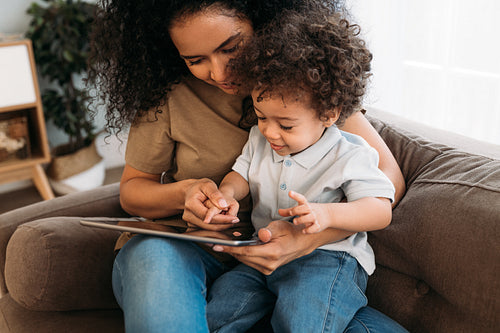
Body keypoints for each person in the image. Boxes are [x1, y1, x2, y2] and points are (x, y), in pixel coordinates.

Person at [88, 0, 407, 332]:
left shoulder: (310, 85)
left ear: (263, 19)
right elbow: (133, 192)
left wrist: (310, 238)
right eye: (196, 60)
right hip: (187, 251)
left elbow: (388, 183)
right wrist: (186, 193)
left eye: (231, 48)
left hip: (297, 259)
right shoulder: (166, 96)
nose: (220, 73)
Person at [202, 9, 395, 332]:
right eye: (262, 117)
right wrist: (226, 195)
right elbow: (240, 176)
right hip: (262, 254)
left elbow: (379, 211)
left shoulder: (350, 153)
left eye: (286, 125)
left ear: (329, 114)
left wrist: (327, 216)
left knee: (301, 320)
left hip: (327, 258)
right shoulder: (258, 140)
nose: (270, 132)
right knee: (218, 313)